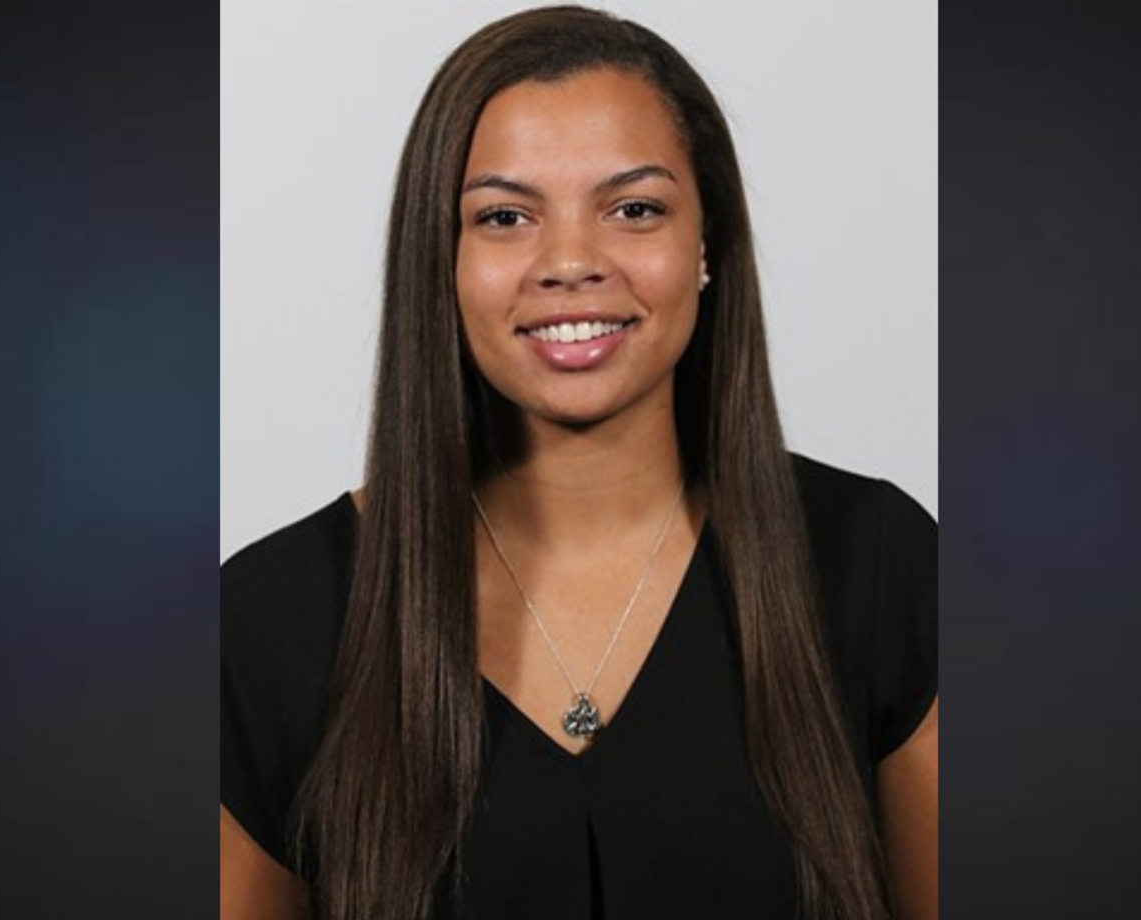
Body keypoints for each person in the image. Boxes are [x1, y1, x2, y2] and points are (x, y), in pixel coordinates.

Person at [220, 6, 937, 919]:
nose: (569, 262)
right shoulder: (272, 618)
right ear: (442, 259)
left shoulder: (875, 564)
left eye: (634, 209)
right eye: (505, 216)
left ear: (707, 244)